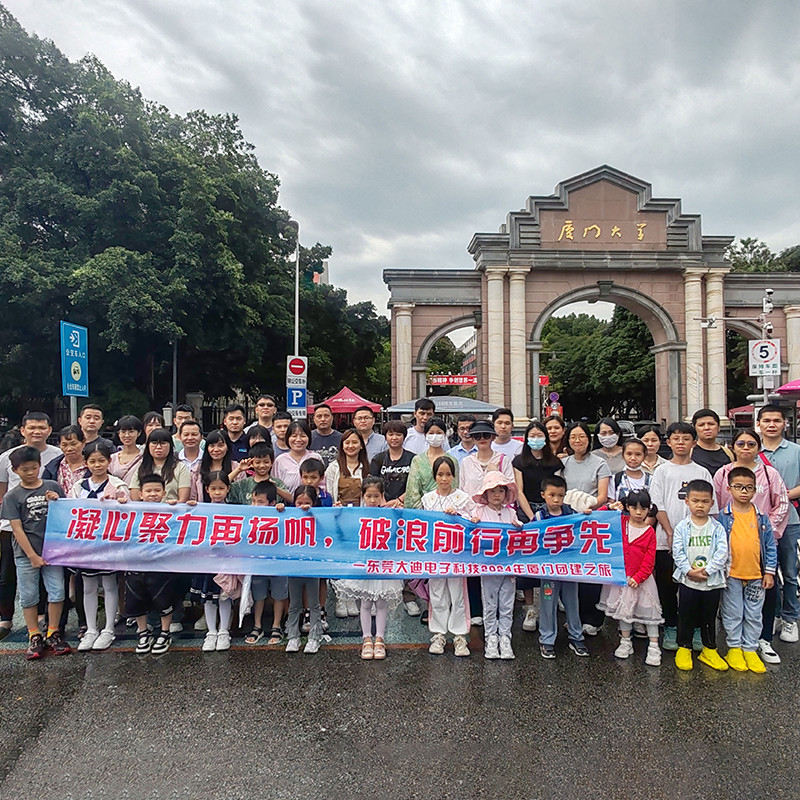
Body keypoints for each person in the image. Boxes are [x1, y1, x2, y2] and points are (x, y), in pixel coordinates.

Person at [713, 427, 788, 665]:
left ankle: (753, 646)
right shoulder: (723, 473)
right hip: (731, 561)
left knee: (756, 608)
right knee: (733, 607)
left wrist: (766, 530)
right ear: (733, 447)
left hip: (760, 554)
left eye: (751, 444)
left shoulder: (769, 474)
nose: (746, 448)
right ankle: (734, 647)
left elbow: (782, 503)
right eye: (741, 443)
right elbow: (714, 507)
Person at [648, 421, 717, 652]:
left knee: (696, 587)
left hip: (698, 542)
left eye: (686, 438)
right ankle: (671, 627)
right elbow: (657, 504)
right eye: (676, 438)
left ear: (693, 442)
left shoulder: (702, 472)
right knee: (667, 586)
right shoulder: (662, 470)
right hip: (664, 539)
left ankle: (696, 629)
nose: (681, 443)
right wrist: (669, 533)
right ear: (669, 442)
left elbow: (712, 507)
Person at [0, 447, 69, 660]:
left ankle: (53, 632)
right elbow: (17, 528)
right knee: (29, 595)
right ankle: (34, 634)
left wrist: (57, 500)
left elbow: (67, 512)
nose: (30, 473)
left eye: (34, 468)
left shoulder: (52, 486)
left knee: (57, 591)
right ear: (15, 470)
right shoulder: (12, 496)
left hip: (53, 550)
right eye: (25, 470)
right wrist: (31, 555)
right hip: (26, 553)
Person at [333, 477, 403, 660]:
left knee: (381, 603)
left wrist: (400, 513)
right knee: (365, 603)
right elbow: (343, 530)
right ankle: (366, 639)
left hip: (383, 564)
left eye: (376, 496)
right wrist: (338, 513)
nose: (372, 500)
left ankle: (380, 638)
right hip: (363, 564)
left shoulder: (389, 514)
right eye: (369, 496)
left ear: (382, 496)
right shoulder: (357, 514)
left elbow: (399, 531)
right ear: (363, 496)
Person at [69, 440, 129, 652]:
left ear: (108, 461)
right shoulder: (78, 487)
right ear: (86, 463)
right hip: (86, 543)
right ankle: (91, 628)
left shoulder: (118, 485)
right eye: (92, 461)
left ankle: (109, 628)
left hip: (109, 543)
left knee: (110, 583)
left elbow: (127, 512)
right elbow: (71, 512)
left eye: (101, 460)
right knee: (88, 586)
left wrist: (121, 501)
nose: (97, 465)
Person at [718, 466, 777, 673]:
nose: (743, 491)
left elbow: (770, 545)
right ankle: (734, 647)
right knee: (733, 612)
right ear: (729, 488)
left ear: (755, 490)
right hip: (731, 574)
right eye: (738, 487)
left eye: (748, 488)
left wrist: (769, 571)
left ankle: (750, 648)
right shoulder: (722, 516)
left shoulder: (761, 518)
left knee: (753, 613)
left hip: (756, 576)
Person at [597, 489, 662, 666]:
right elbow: (597, 518)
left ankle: (654, 646)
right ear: (627, 507)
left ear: (649, 509)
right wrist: (609, 506)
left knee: (649, 612)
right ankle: (625, 642)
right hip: (622, 578)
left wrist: (639, 577)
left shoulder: (649, 532)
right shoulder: (621, 522)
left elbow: (650, 560)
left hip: (642, 581)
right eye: (634, 508)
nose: (639, 512)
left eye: (643, 508)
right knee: (623, 612)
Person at [671, 479, 729, 671]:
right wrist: (688, 571)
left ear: (712, 503)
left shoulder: (717, 527)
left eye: (705, 501)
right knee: (686, 615)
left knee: (709, 616)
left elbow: (722, 552)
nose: (700, 505)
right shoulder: (682, 527)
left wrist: (708, 571)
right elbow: (677, 551)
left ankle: (709, 649)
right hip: (688, 582)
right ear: (687, 501)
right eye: (695, 500)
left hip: (711, 583)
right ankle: (684, 647)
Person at [563, 422, 612, 636]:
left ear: (588, 439)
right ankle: (574, 617)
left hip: (592, 521)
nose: (577, 441)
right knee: (572, 572)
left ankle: (593, 618)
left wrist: (586, 507)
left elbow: (602, 496)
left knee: (591, 571)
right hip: (568, 522)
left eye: (581, 436)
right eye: (573, 437)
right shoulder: (563, 463)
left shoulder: (600, 463)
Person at [512, 421, 562, 633]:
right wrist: (533, 517)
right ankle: (530, 608)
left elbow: (558, 489)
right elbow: (519, 491)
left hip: (552, 511)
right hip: (527, 512)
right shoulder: (519, 461)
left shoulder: (555, 462)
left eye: (539, 435)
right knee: (528, 560)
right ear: (526, 438)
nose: (536, 439)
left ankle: (555, 600)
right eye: (532, 435)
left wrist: (547, 513)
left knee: (553, 556)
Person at [757, 404, 800, 647]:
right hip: (759, 524)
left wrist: (783, 495)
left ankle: (790, 618)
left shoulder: (796, 451)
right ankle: (771, 615)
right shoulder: (750, 449)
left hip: (790, 521)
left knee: (791, 572)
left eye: (776, 420)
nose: (771, 424)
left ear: (785, 423)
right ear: (759, 424)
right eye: (766, 420)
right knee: (766, 573)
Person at [421, 456, 473, 656]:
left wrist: (459, 516)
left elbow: (472, 521)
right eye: (440, 474)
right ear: (434, 476)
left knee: (458, 594)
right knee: (437, 594)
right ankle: (439, 634)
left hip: (457, 555)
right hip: (436, 555)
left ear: (454, 476)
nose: (444, 479)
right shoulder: (428, 499)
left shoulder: (462, 498)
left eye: (448, 474)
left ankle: (460, 636)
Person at [469, 472, 522, 660]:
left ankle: (505, 637)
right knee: (490, 603)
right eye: (492, 491)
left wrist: (518, 526)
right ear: (485, 494)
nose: (497, 494)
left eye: (500, 490)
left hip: (508, 566)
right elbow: (470, 529)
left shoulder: (511, 512)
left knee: (507, 603)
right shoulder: (480, 512)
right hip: (488, 566)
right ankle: (491, 637)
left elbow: (519, 532)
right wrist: (473, 523)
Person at [535, 475, 589, 659]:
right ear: (543, 495)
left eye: (560, 495)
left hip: (569, 568)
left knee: (572, 602)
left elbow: (583, 523)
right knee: (548, 603)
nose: (556, 500)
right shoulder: (539, 515)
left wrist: (588, 515)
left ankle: (576, 636)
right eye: (552, 495)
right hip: (549, 569)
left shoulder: (570, 512)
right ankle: (547, 639)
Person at [126, 474, 177, 656]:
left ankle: (165, 632)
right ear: (140, 493)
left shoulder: (171, 510)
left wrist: (188, 506)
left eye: (157, 491)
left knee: (163, 599)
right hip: (136, 564)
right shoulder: (132, 510)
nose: (153, 494)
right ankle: (143, 632)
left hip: (161, 566)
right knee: (137, 600)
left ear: (164, 493)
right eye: (148, 491)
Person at [191, 471, 235, 652]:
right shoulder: (199, 509)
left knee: (224, 596)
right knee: (208, 598)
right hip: (206, 561)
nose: (217, 493)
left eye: (221, 488)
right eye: (213, 489)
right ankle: (211, 631)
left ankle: (224, 630)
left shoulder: (235, 509)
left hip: (226, 561)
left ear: (228, 489)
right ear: (207, 490)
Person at [244, 481, 287, 647]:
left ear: (272, 503)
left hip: (278, 563)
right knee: (258, 595)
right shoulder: (249, 517)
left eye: (260, 502)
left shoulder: (280, 514)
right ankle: (257, 626)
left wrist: (281, 510)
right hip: (257, 562)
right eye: (254, 501)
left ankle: (276, 626)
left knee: (278, 595)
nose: (256, 505)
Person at [286, 485, 325, 654]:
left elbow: (330, 522)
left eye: (307, 502)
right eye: (298, 502)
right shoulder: (288, 515)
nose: (302, 506)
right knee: (294, 604)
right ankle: (293, 637)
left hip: (312, 567)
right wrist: (279, 509)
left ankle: (314, 637)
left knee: (314, 604)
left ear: (313, 503)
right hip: (293, 567)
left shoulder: (318, 517)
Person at [405, 418, 459, 509]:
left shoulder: (452, 460)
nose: (435, 436)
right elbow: (412, 492)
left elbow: (454, 487)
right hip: (423, 512)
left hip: (447, 511)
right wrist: (423, 511)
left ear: (444, 435)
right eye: (431, 433)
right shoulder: (417, 460)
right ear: (425, 435)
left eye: (439, 433)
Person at [129, 429, 191, 503]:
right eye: (154, 443)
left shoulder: (180, 467)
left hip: (172, 512)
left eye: (163, 443)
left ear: (170, 446)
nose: (158, 447)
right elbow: (135, 498)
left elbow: (183, 499)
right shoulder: (141, 467)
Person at [459, 420, 513, 498]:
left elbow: (510, 489)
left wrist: (496, 473)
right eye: (477, 436)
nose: (482, 439)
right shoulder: (466, 462)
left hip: (496, 508)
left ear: (493, 437)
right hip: (471, 508)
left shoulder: (503, 460)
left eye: (486, 435)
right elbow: (462, 489)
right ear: (473, 439)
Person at [369, 421, 413, 508]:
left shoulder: (413, 459)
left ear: (404, 437)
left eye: (398, 434)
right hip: (382, 505)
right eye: (391, 434)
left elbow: (415, 485)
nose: (394, 438)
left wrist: (399, 500)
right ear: (385, 437)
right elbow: (372, 483)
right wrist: (383, 501)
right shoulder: (377, 459)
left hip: (405, 505)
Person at [272, 420, 320, 493]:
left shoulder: (315, 457)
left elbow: (322, 485)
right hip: (286, 503)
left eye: (303, 436)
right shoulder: (280, 460)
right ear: (287, 438)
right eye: (294, 436)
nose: (298, 440)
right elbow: (276, 486)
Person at [190, 430, 237, 503]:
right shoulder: (197, 469)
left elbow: (241, 494)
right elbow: (192, 497)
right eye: (212, 446)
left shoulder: (237, 468)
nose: (216, 450)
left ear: (228, 447)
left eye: (220, 445)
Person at [326, 429, 369, 507]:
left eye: (355, 442)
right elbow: (329, 492)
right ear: (342, 446)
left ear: (361, 445)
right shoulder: (333, 467)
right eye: (347, 442)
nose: (350, 446)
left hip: (360, 514)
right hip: (339, 513)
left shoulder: (367, 468)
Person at [690, 408, 733, 476]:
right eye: (701, 425)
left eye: (711, 424)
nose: (706, 428)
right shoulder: (688, 453)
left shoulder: (728, 453)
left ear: (719, 427)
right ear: (695, 429)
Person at [608, 438, 651, 503]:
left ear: (644, 456)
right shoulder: (615, 479)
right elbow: (611, 502)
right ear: (623, 455)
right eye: (629, 454)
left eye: (638, 454)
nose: (633, 458)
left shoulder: (651, 479)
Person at [109, 415, 144, 483]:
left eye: (131, 431)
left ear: (139, 433)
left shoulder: (144, 457)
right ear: (118, 433)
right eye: (123, 432)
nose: (127, 435)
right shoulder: (112, 458)